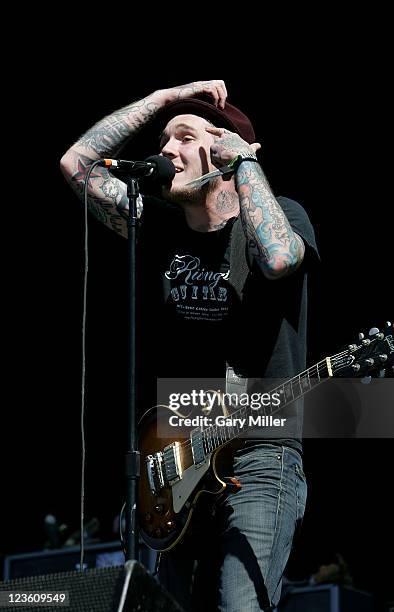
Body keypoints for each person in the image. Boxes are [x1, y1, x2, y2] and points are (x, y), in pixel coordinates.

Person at [60, 79, 319, 612]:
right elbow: (76, 165)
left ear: (223, 151)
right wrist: (161, 99)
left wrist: (245, 161)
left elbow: (277, 260)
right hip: (178, 454)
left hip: (261, 451)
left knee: (238, 604)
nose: (166, 151)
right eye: (163, 141)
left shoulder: (282, 215)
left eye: (183, 138)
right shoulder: (159, 228)